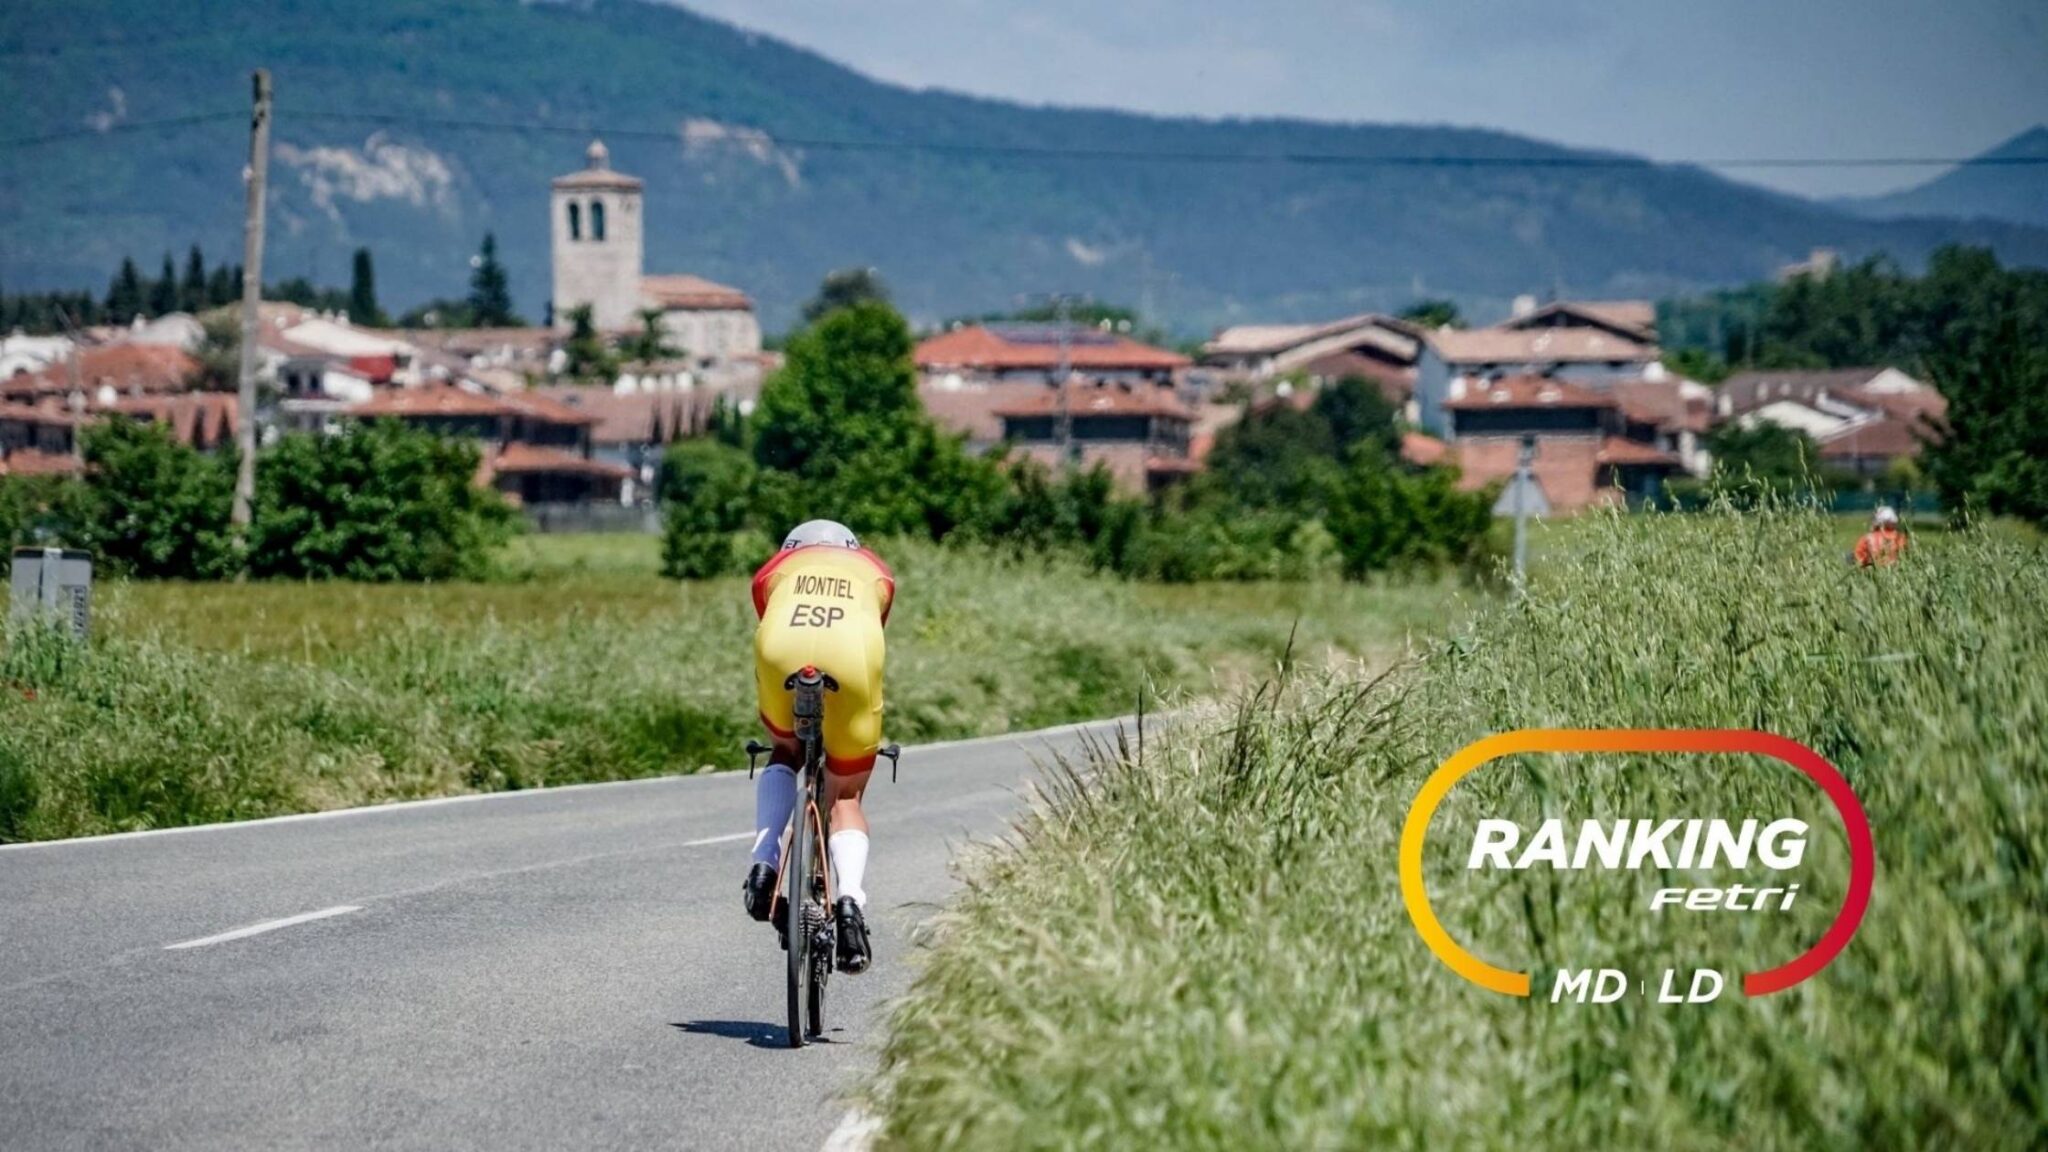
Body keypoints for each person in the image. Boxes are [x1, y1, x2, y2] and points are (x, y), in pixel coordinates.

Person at [741, 519, 895, 974]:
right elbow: (876, 624)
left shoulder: (777, 566)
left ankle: (764, 865)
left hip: (782, 653)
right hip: (849, 658)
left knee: (785, 751)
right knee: (846, 793)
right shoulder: (874, 569)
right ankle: (848, 901)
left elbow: (766, 612)